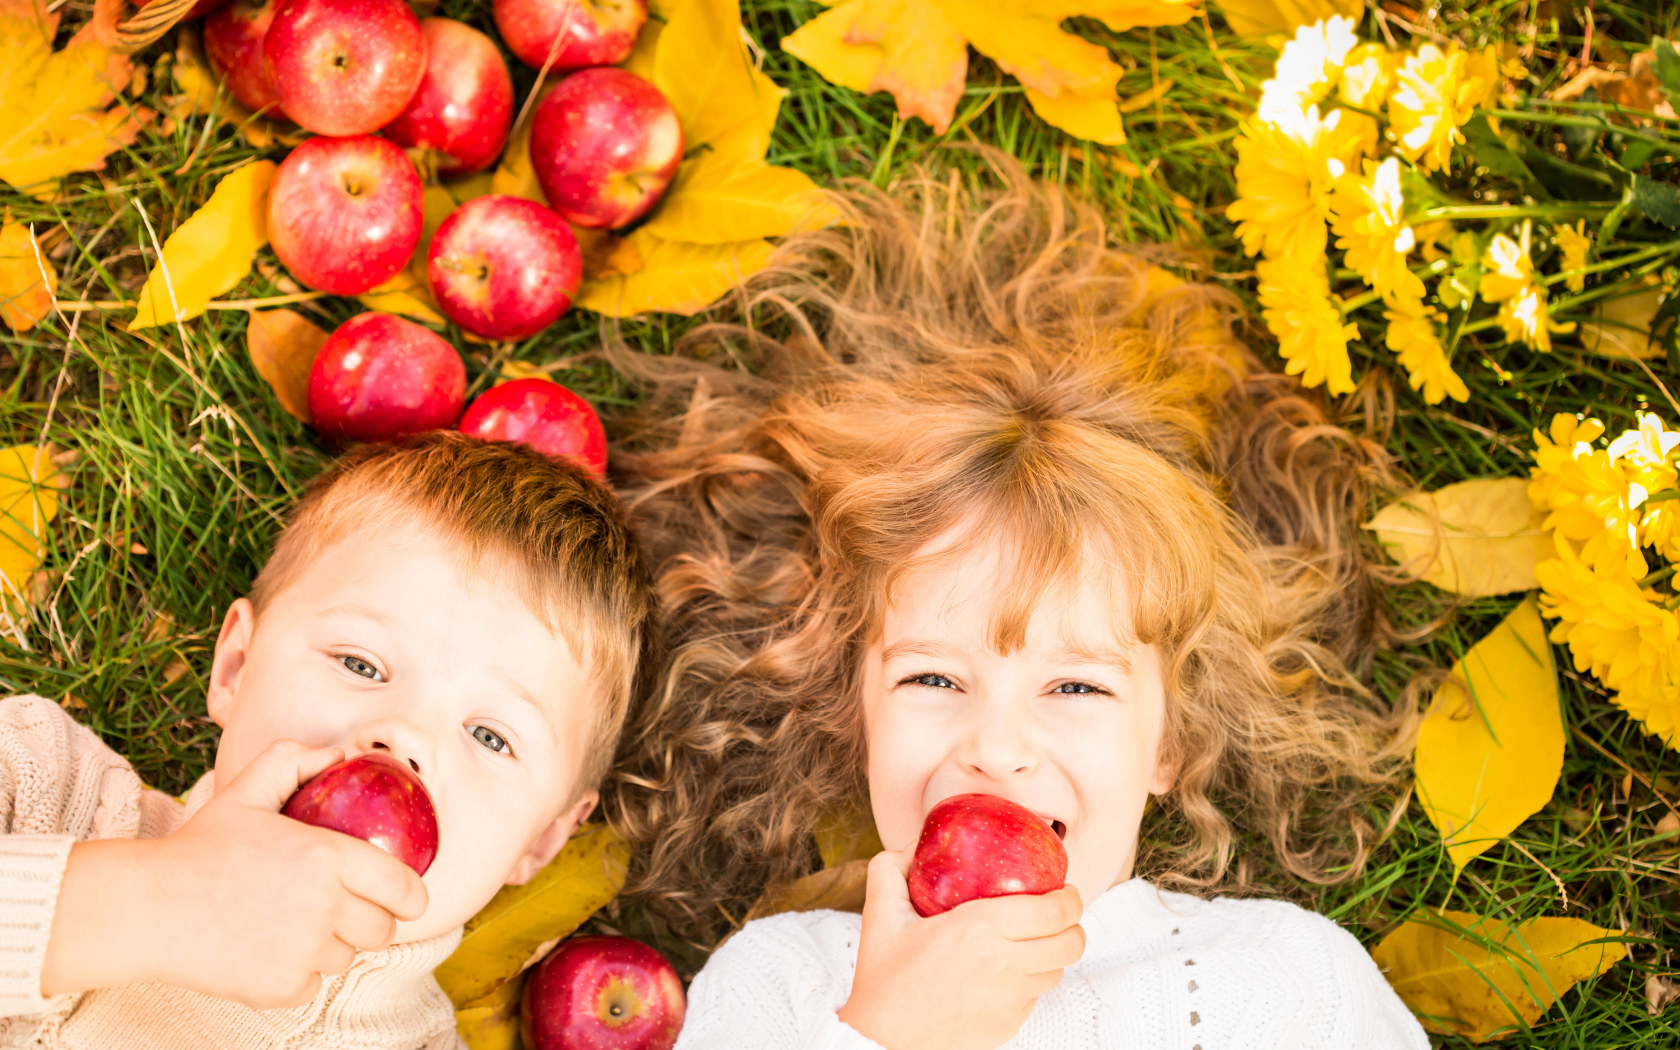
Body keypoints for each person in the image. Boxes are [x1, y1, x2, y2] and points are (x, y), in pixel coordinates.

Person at [606, 163, 1430, 1050]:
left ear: (1174, 741)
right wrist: (888, 1033)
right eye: (932, 678)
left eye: (1075, 686)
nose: (995, 749)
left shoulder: (1289, 979)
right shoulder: (780, 985)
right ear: (856, 714)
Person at [0, 432, 651, 1049]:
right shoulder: (46, 786)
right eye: (360, 664)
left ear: (543, 840)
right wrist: (155, 900)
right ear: (236, 668)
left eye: (490, 736)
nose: (403, 737)